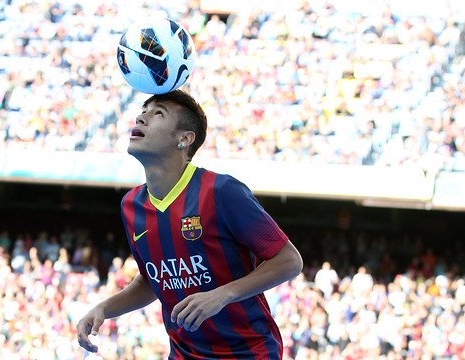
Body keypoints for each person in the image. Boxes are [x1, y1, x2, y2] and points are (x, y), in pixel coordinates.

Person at [77, 90, 303, 359]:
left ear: (184, 139)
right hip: (185, 353)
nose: (141, 117)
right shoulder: (131, 206)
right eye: (144, 110)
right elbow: (153, 281)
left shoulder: (221, 191)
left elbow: (289, 260)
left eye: (157, 113)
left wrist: (223, 294)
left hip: (249, 352)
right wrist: (104, 308)